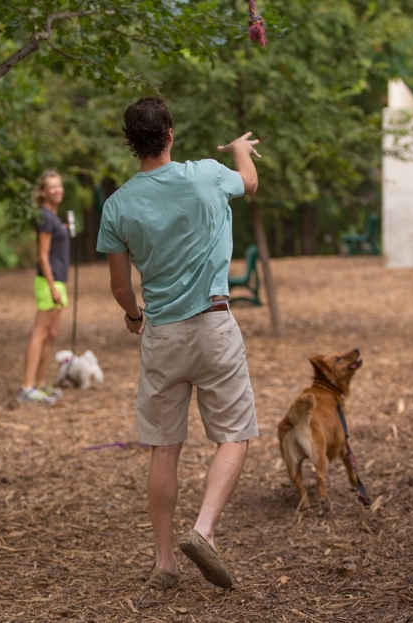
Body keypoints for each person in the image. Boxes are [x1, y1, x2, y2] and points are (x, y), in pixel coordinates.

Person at [96, 96, 261, 590]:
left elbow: (121, 287)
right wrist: (239, 148)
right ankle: (203, 530)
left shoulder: (117, 205)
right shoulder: (207, 174)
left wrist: (134, 316)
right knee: (234, 434)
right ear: (170, 133)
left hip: (162, 335)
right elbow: (249, 182)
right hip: (214, 326)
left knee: (164, 448)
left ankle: (165, 562)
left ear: (132, 143)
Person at [18, 170, 70, 404]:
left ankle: (40, 383)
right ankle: (27, 387)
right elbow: (42, 254)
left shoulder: (52, 216)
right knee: (40, 333)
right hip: (49, 281)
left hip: (58, 280)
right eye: (52, 187)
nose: (57, 190)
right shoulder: (44, 216)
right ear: (43, 192)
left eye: (59, 186)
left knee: (51, 334)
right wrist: (52, 286)